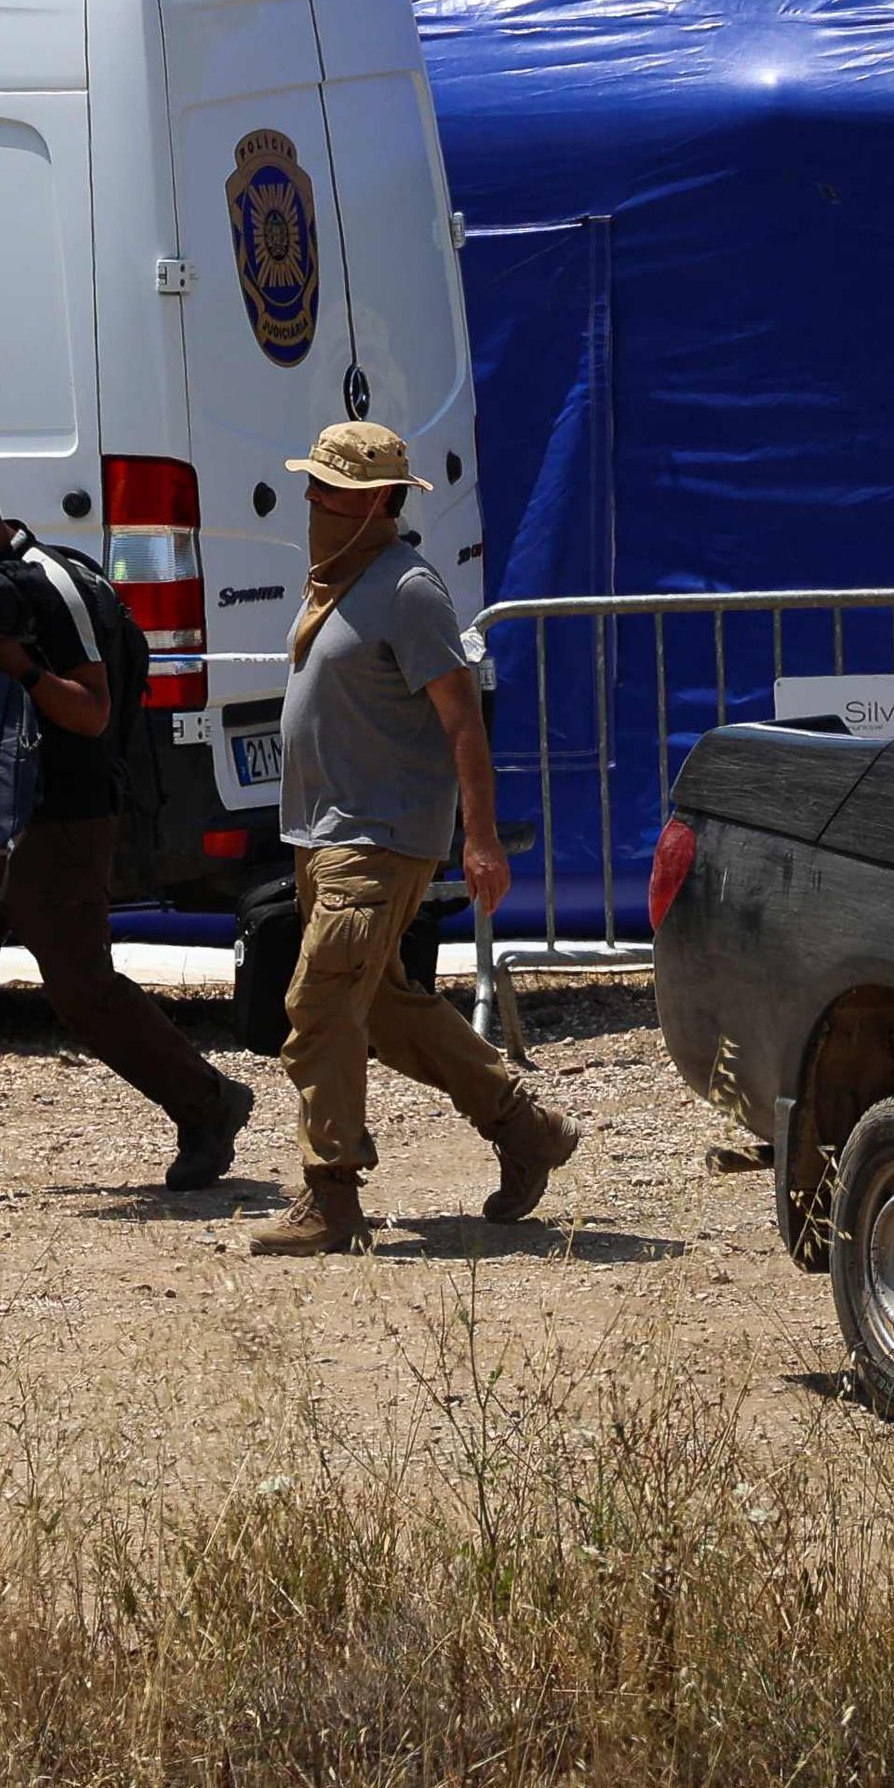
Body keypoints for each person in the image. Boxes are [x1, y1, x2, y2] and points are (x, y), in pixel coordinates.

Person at [0, 463, 253, 1208]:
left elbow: (92, 711)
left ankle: (208, 1103)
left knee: (82, 991)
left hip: (58, 817)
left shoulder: (54, 585)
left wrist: (21, 667)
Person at [245, 421, 579, 1254]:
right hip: (326, 835)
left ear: (373, 503)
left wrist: (481, 838)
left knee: (321, 1005)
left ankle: (331, 1194)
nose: (310, 499)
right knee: (387, 1010)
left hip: (376, 838)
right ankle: (526, 1126)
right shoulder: (339, 580)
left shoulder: (407, 588)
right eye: (314, 484)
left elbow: (463, 720)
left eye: (327, 489)